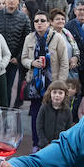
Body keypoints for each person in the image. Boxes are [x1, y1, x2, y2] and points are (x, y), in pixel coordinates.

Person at [21, 10, 71, 151]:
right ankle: (37, 143)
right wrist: (32, 62)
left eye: (42, 20)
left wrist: (60, 83)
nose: (39, 23)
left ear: (49, 22)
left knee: (53, 112)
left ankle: (54, 144)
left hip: (52, 82)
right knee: (37, 113)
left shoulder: (57, 38)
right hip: (36, 83)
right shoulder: (29, 38)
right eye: (36, 21)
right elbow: (23, 58)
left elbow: (64, 62)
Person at [33, 80, 76, 167]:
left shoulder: (67, 111)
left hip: (58, 147)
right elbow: (39, 125)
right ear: (50, 94)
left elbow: (68, 129)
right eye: (55, 92)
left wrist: (64, 144)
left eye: (60, 93)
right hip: (44, 146)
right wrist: (43, 142)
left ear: (65, 95)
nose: (57, 95)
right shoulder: (44, 108)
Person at [0, 0, 32, 107]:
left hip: (13, 60)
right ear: (5, 0)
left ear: (18, 1)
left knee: (7, 89)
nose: (11, 1)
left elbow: (26, 40)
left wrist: (18, 58)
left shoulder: (24, 18)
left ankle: (4, 116)